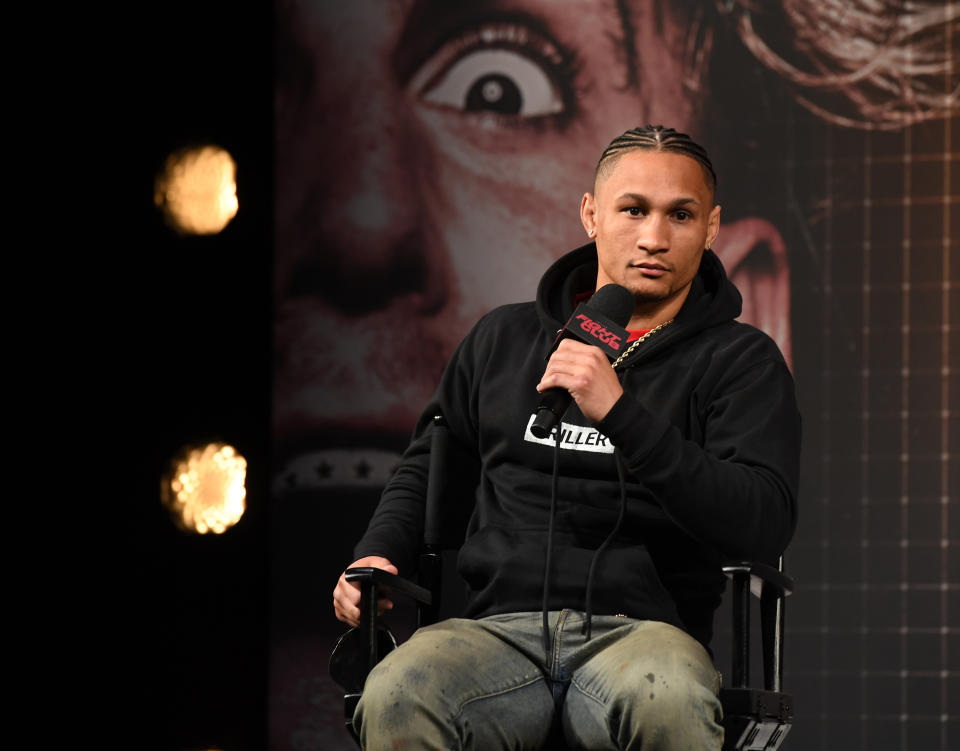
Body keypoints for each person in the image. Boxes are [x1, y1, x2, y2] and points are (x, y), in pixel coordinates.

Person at [332, 125, 801, 750]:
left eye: (680, 215)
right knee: (398, 692)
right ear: (591, 214)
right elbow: (430, 465)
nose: (654, 237)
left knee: (668, 700)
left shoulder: (740, 359)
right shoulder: (502, 338)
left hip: (643, 635)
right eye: (633, 210)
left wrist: (620, 414)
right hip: (495, 632)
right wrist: (377, 552)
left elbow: (762, 519)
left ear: (711, 228)